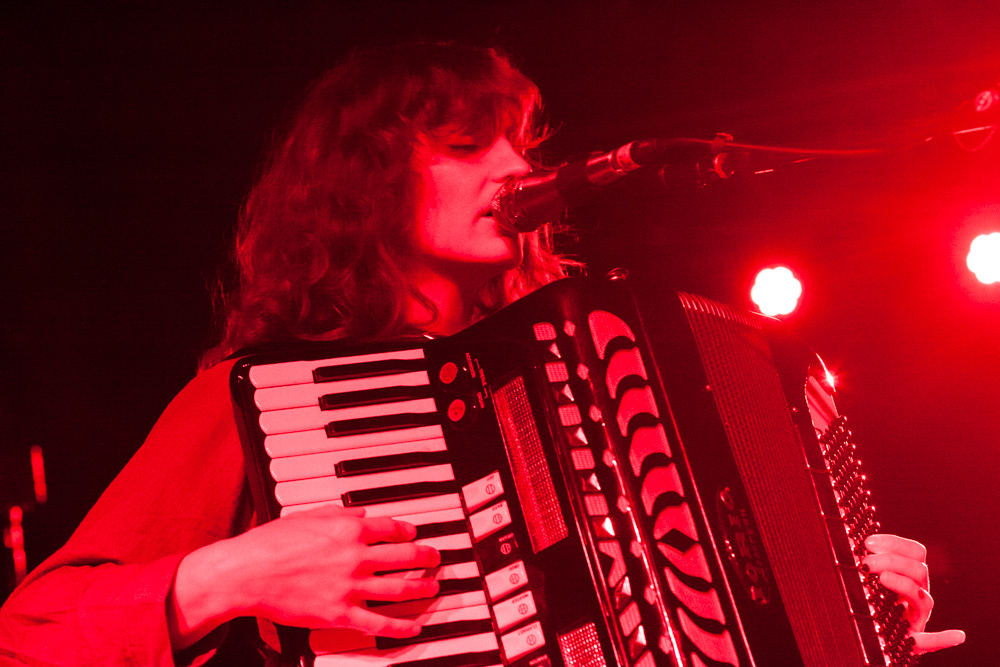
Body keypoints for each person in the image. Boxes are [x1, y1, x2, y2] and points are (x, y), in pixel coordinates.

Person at [0, 42, 964, 666]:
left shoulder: (595, 371)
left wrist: (853, 615)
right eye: (470, 143)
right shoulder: (260, 400)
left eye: (520, 141)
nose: (517, 168)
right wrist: (227, 577)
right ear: (364, 179)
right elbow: (29, 633)